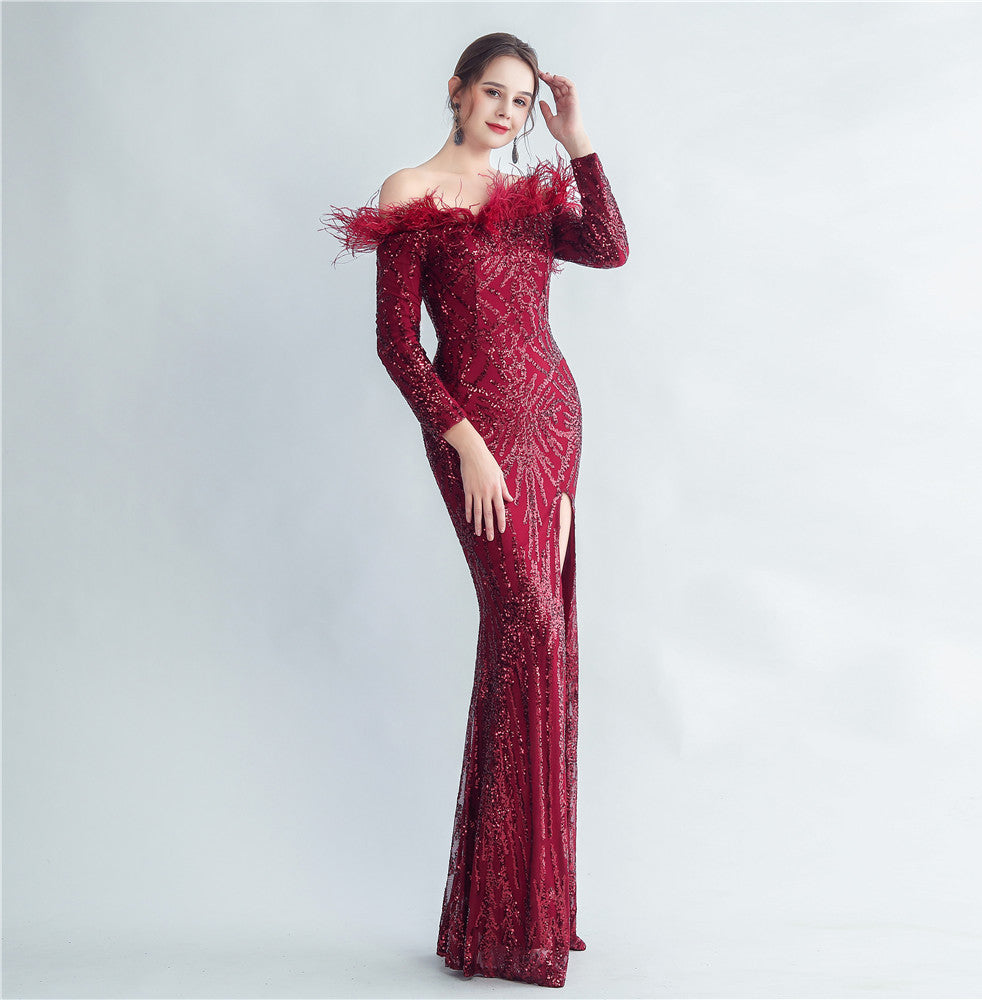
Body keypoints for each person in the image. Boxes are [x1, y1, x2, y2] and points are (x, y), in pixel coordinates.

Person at [320, 31, 628, 989]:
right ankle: (498, 912)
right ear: (456, 90)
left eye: (522, 101)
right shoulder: (410, 190)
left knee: (545, 637)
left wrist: (578, 142)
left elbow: (611, 249)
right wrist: (465, 442)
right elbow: (397, 346)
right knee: (525, 622)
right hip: (475, 438)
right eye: (493, 92)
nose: (507, 112)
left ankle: (528, 910)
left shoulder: (532, 198)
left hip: (553, 425)